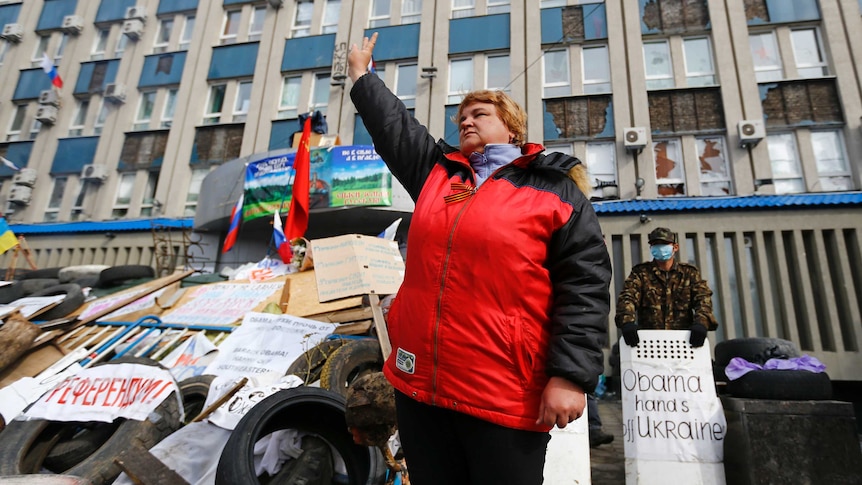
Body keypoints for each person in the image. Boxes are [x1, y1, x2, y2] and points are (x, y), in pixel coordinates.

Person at [348, 33, 611, 485]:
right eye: (461, 116)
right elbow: (394, 128)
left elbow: (585, 285)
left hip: (503, 396)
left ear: (511, 127)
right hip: (421, 390)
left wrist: (570, 375)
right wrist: (361, 74)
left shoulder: (553, 190)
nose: (466, 121)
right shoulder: (437, 175)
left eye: (479, 114)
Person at [615, 227, 718, 348]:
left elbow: (703, 300)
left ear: (675, 247)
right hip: (650, 344)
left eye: (664, 244)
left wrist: (701, 323)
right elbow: (628, 297)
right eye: (655, 244)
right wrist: (627, 322)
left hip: (683, 343)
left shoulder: (689, 274)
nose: (660, 248)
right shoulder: (641, 273)